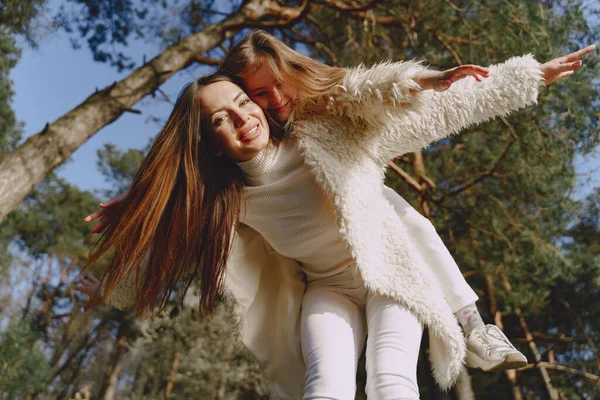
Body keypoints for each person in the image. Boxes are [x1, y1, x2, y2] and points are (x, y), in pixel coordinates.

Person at [77, 33, 595, 398]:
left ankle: (472, 322)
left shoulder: (328, 133)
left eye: (244, 102)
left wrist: (530, 75)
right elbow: (161, 247)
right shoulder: (224, 200)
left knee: (392, 380)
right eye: (223, 118)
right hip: (327, 290)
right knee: (325, 386)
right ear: (208, 143)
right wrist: (131, 230)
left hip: (393, 277)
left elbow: (430, 105)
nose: (246, 116)